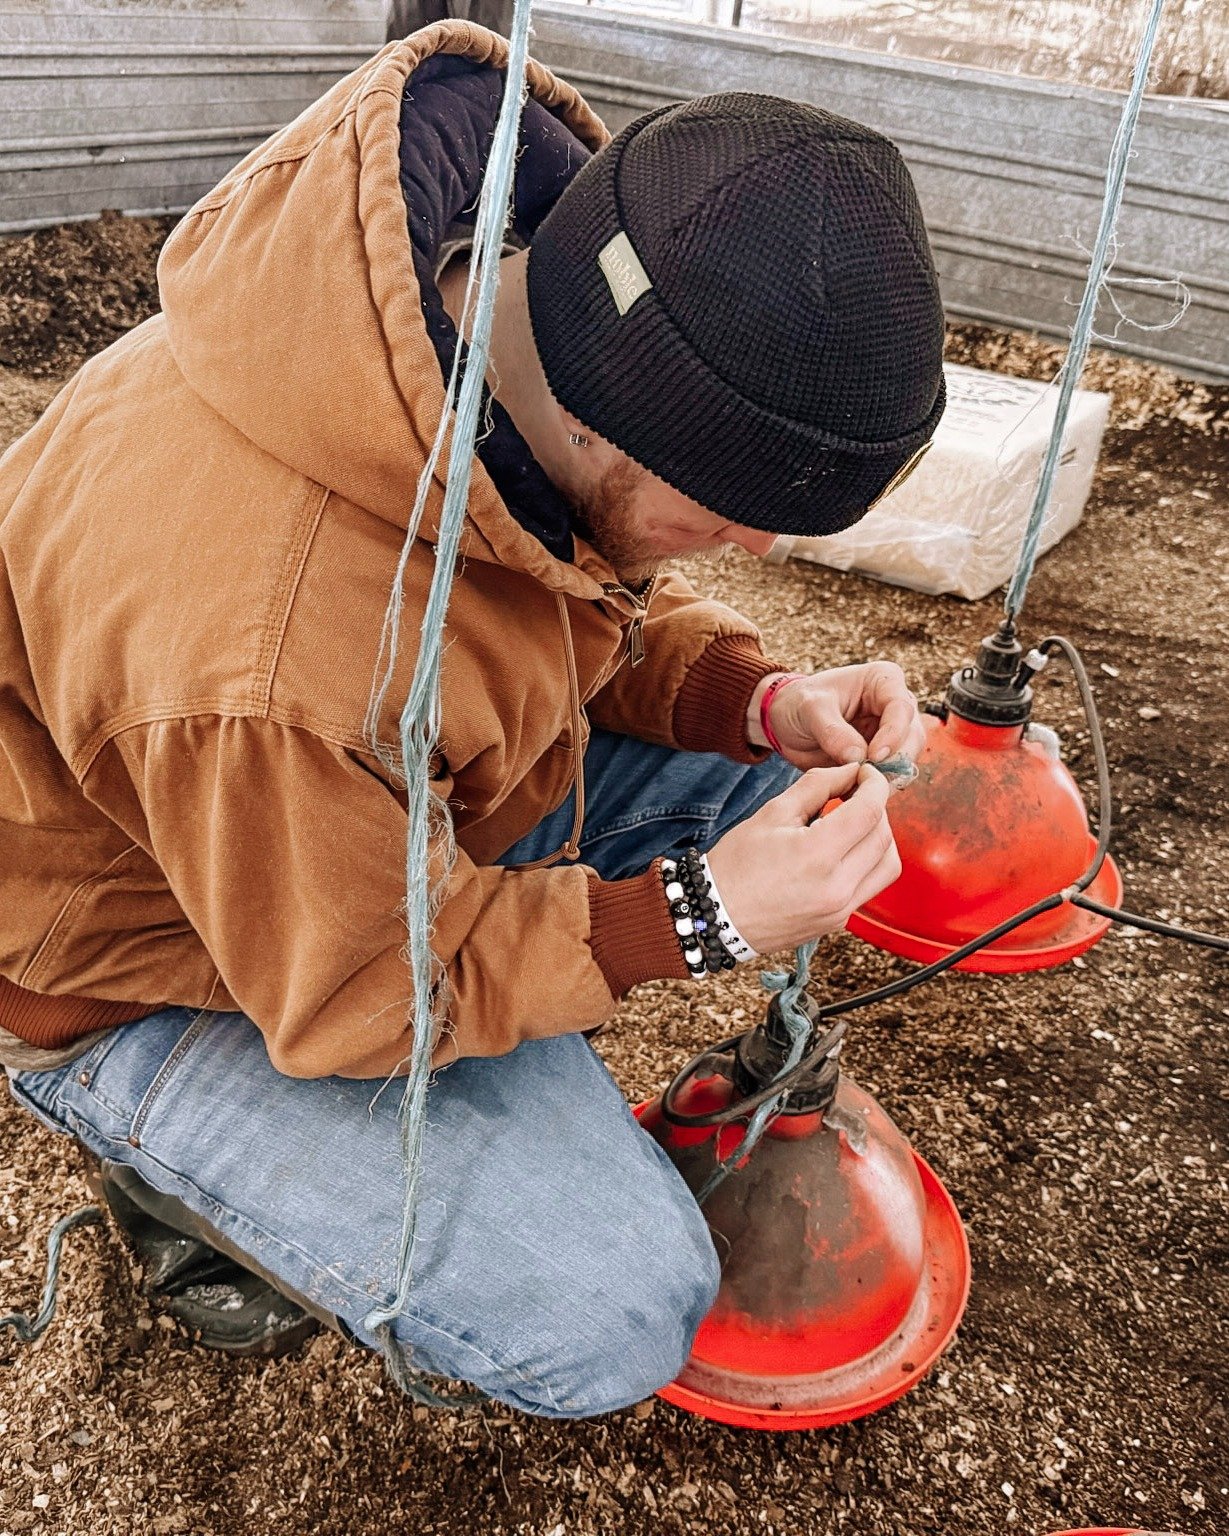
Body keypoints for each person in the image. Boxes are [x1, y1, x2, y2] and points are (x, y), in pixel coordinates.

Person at [0, 23, 944, 1414]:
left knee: (771, 795)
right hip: (163, 949)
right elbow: (361, 989)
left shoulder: (462, 327)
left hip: (342, 811)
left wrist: (752, 699)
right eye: (726, 514)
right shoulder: (273, 650)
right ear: (617, 426)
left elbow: (544, 589)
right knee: (607, 1316)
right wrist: (687, 917)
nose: (742, 549)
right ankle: (185, 1171)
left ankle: (508, 979)